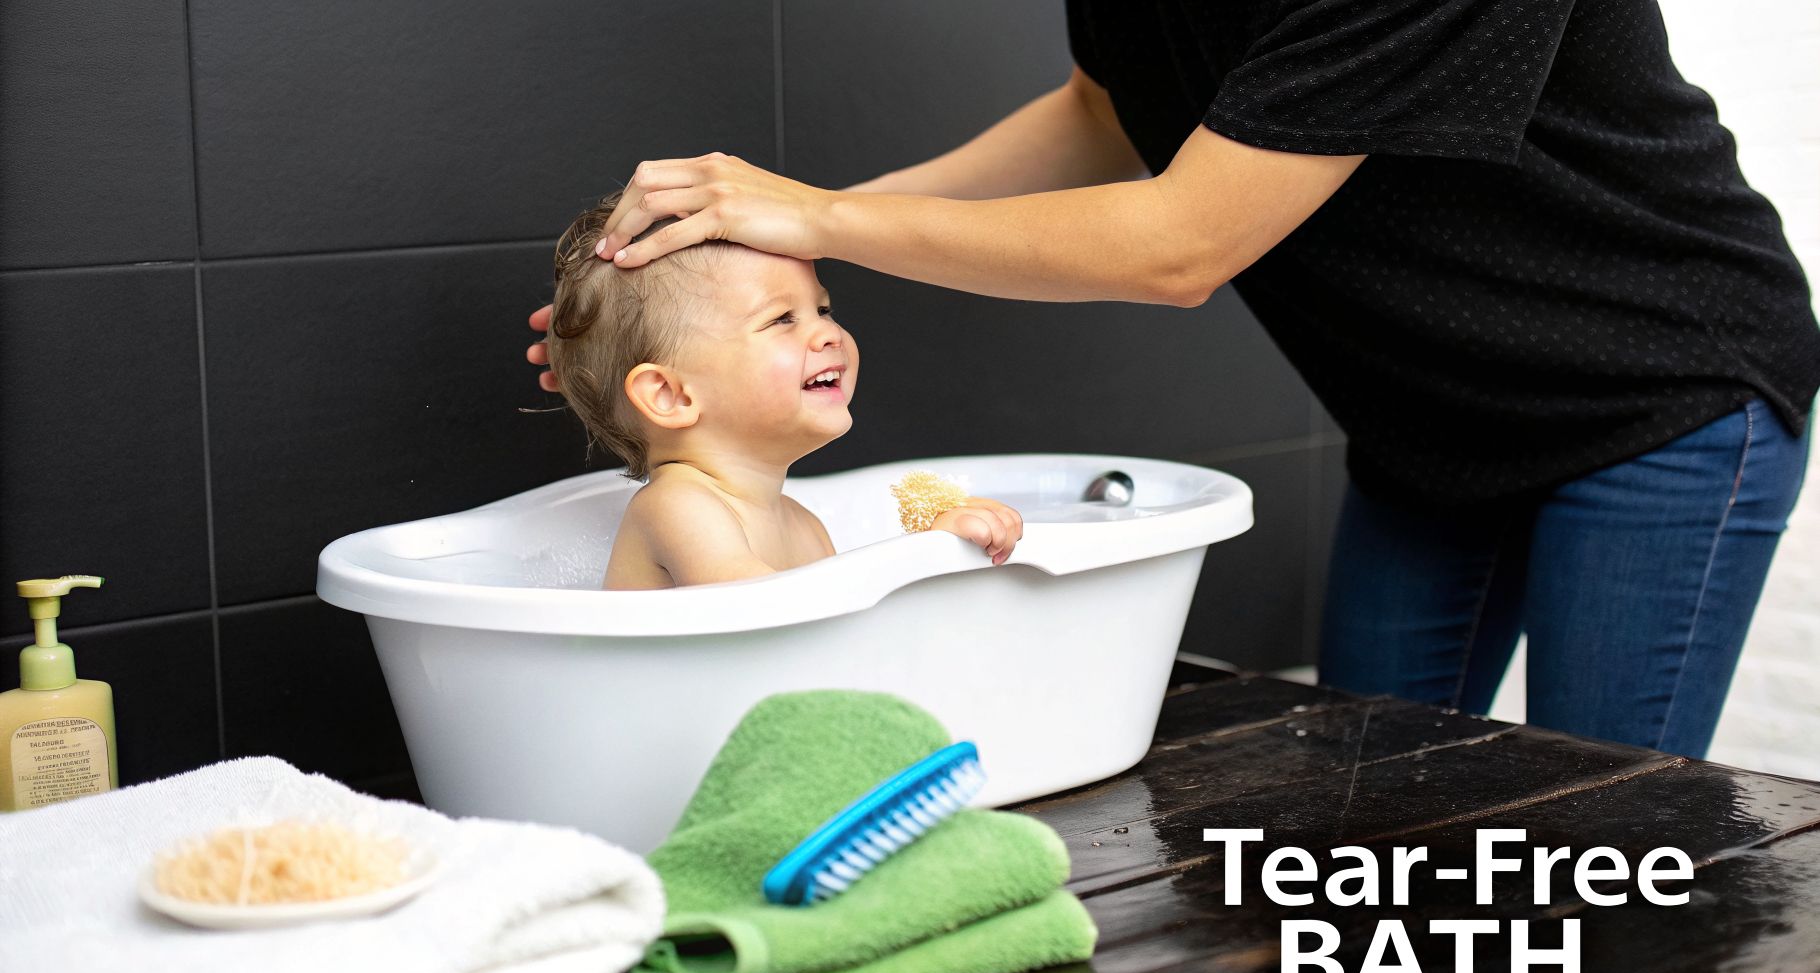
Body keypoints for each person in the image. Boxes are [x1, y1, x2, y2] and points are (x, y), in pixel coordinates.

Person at [525, 0, 1819, 757]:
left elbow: (1179, 241)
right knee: (1345, 808)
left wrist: (814, 218)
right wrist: (742, 265)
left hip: (1654, 385)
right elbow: (1109, 107)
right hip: (1427, 419)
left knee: (1594, 826)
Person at [540, 191, 1022, 589]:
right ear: (671, 395)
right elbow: (775, 618)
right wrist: (922, 558)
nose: (829, 334)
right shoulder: (678, 507)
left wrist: (945, 556)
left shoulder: (804, 524)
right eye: (781, 319)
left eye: (823, 310)